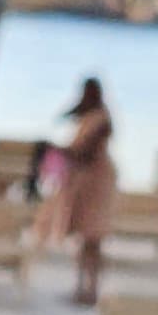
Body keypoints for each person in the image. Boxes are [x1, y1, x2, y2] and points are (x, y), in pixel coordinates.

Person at [44, 75, 119, 301]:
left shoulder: (101, 119)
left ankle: (91, 289)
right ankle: (82, 288)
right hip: (84, 182)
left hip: (95, 184)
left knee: (92, 240)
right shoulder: (91, 115)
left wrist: (60, 150)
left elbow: (85, 151)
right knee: (84, 240)